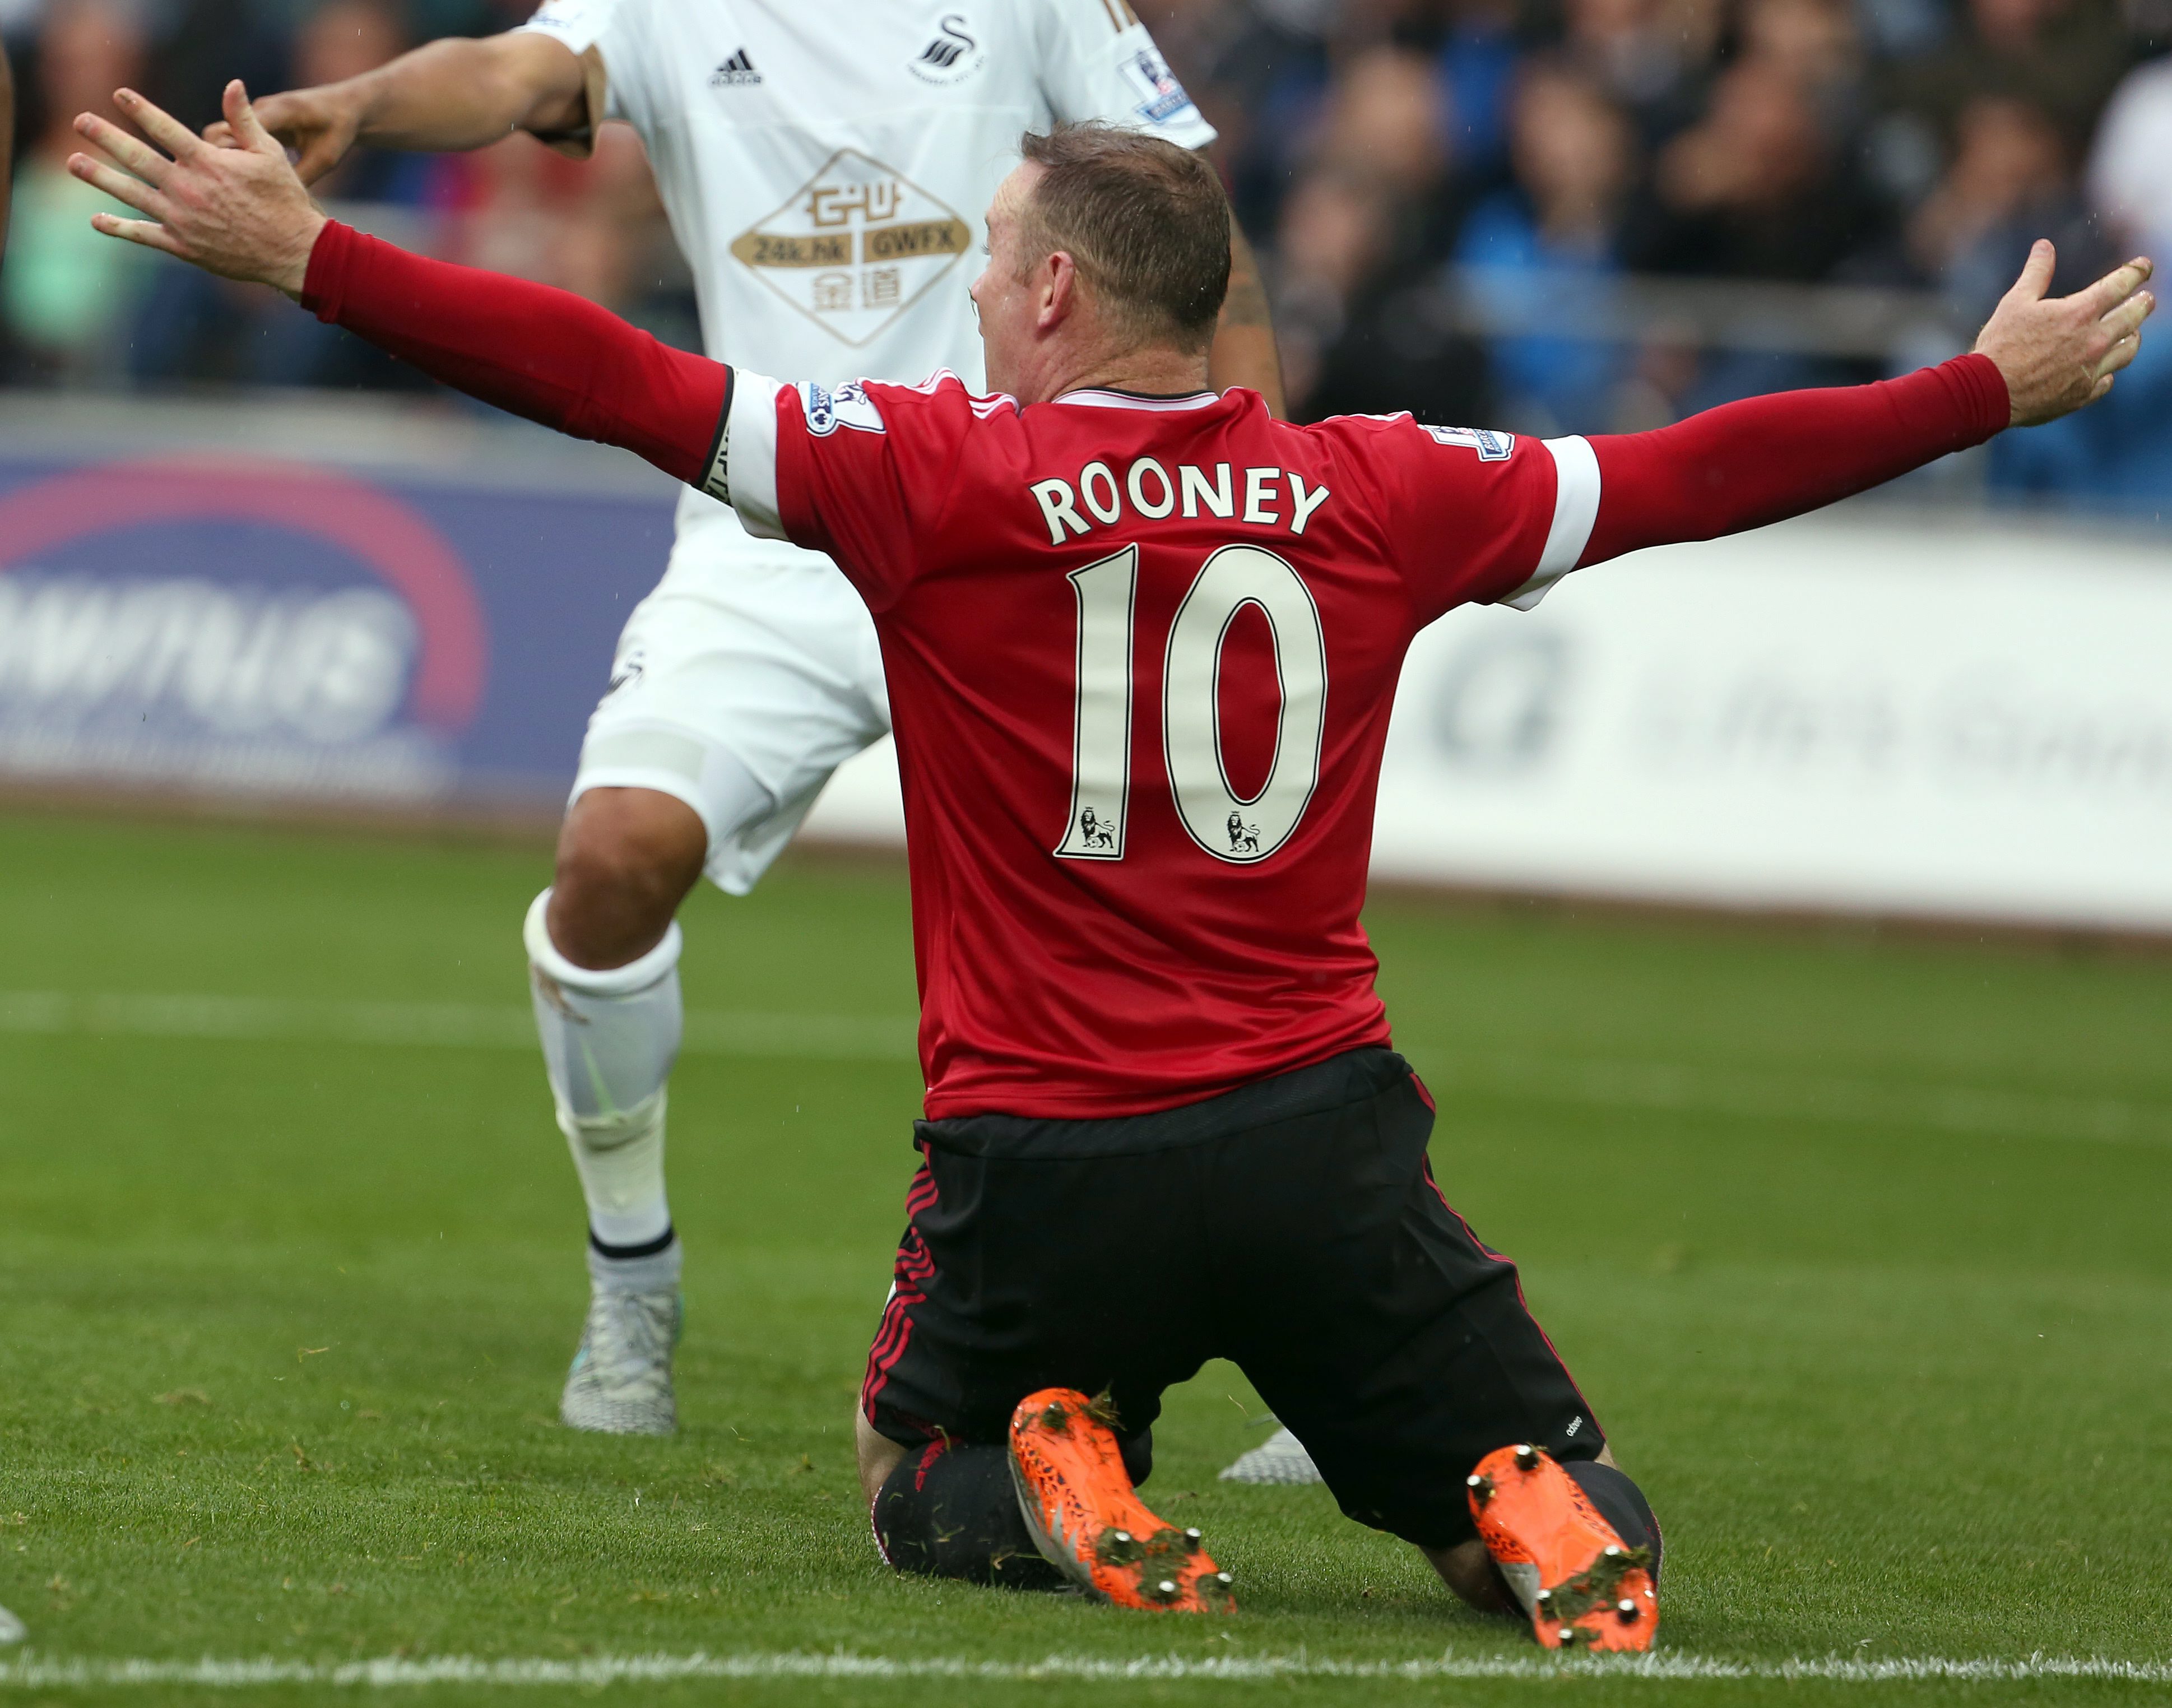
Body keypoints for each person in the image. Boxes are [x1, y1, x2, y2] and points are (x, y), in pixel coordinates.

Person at [70, 81, 2150, 1646]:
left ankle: (1041, 1469)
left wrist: (314, 260)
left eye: (989, 261)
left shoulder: (929, 475)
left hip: (1044, 1153)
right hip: (1323, 1147)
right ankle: (1518, 1507)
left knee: (908, 1474)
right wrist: (1979, 389)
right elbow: (1691, 472)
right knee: (1541, 1492)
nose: (973, 292)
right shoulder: (1385, 486)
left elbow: (609, 378)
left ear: (1057, 291)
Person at [215, 0, 1284, 1438]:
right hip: (777, 523)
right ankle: (632, 1274)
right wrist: (365, 104)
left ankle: (1317, 1326)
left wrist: (1246, 494)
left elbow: (1189, 225)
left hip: (1020, 521)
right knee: (611, 861)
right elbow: (518, 72)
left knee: (1204, 912)